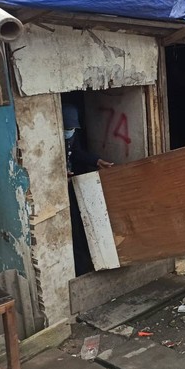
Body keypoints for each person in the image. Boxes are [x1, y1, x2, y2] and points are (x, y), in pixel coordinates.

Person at [62, 102, 113, 275]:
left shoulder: (72, 136)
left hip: (72, 184)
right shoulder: (52, 139)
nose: (70, 132)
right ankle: (77, 269)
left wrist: (97, 161)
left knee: (81, 226)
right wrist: (59, 176)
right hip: (59, 190)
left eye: (73, 128)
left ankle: (85, 265)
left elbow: (77, 153)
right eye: (67, 128)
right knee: (71, 230)